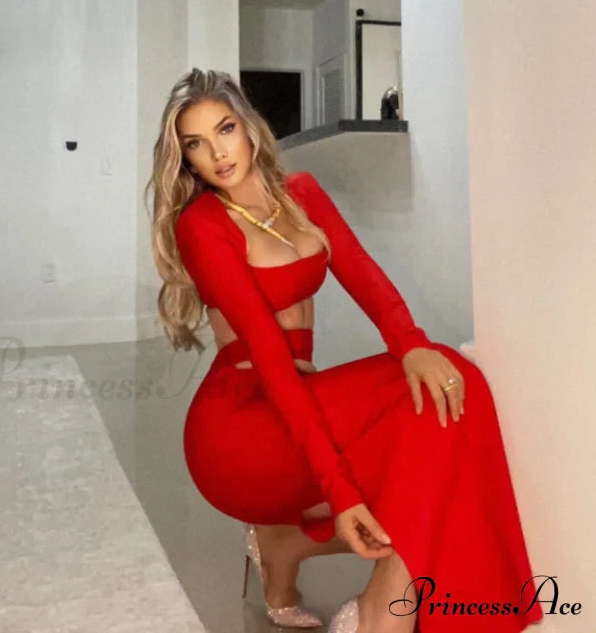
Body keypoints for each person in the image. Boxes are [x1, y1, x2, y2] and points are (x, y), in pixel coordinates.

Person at [147, 68, 543, 633]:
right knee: (433, 420)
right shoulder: (203, 224)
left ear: (249, 126)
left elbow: (364, 276)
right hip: (240, 428)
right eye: (196, 143)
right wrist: (340, 491)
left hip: (299, 397)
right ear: (185, 159)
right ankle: (381, 611)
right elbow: (271, 359)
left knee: (451, 387)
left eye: (225, 129)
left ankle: (289, 546)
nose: (217, 153)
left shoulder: (301, 193)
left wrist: (410, 345)